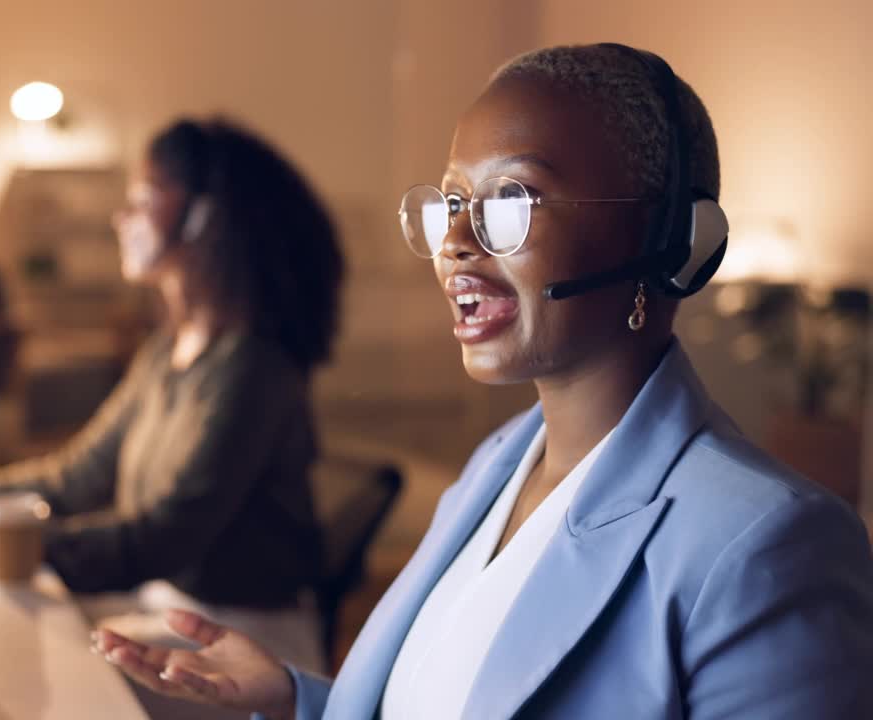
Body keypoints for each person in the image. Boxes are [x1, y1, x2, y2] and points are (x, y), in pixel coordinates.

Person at [90, 44, 873, 719]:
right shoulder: (496, 466)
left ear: (668, 240)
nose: (457, 242)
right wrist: (301, 699)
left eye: (512, 200)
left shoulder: (769, 547)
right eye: (453, 203)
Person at [0, 117, 344, 675]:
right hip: (164, 608)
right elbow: (75, 478)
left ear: (204, 218)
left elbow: (160, 538)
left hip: (245, 647)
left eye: (142, 198)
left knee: (11, 669)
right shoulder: (168, 352)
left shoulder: (252, 370)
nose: (121, 217)